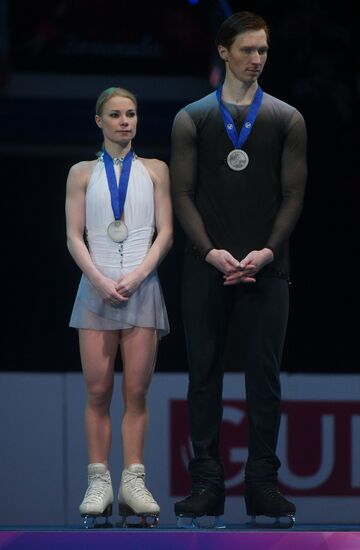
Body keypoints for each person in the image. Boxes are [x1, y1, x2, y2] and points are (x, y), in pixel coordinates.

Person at [170, 11, 307, 524]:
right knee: (203, 376)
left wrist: (267, 251)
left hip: (267, 268)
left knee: (264, 379)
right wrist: (209, 251)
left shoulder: (286, 118)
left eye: (263, 52)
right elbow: (181, 194)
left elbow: (293, 195)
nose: (256, 60)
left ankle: (262, 485)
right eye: (247, 50)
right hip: (205, 266)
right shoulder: (192, 118)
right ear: (223, 51)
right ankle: (206, 484)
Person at [65, 86, 172, 526]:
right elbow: (74, 235)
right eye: (115, 115)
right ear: (99, 121)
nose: (125, 121)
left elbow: (165, 232)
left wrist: (137, 275)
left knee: (137, 392)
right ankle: (98, 481)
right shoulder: (82, 173)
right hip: (96, 287)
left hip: (141, 288)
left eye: (131, 114)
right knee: (97, 391)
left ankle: (133, 478)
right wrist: (100, 279)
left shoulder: (156, 170)